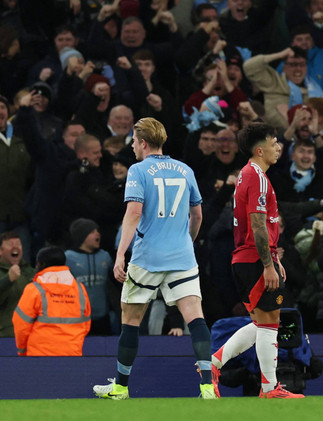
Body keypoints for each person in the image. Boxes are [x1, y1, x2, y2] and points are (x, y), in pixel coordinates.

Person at [92, 117, 215, 400]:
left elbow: (134, 213)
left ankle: (121, 388)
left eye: (134, 142)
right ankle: (208, 387)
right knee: (195, 318)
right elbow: (197, 215)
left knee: (131, 319)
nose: (133, 146)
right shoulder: (185, 169)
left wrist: (121, 253)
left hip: (147, 258)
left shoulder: (138, 170)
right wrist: (187, 242)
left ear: (144, 143)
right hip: (182, 257)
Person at [209, 123, 304, 399]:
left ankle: (214, 364)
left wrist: (272, 257)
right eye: (275, 143)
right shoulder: (258, 177)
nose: (279, 148)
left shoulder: (245, 175)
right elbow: (258, 224)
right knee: (271, 323)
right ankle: (269, 388)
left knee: (263, 323)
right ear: (260, 149)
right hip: (253, 259)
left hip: (245, 258)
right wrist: (268, 264)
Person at [12, 246, 91, 356]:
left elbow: (21, 324)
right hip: (72, 355)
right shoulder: (80, 289)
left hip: (38, 357)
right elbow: (86, 324)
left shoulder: (34, 289)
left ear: (41, 265)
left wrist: (22, 350)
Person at [0, 232, 36, 337]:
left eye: (18, 244)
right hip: (5, 336)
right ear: (0, 251)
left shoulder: (31, 272)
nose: (15, 246)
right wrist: (8, 280)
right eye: (10, 244)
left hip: (30, 333)